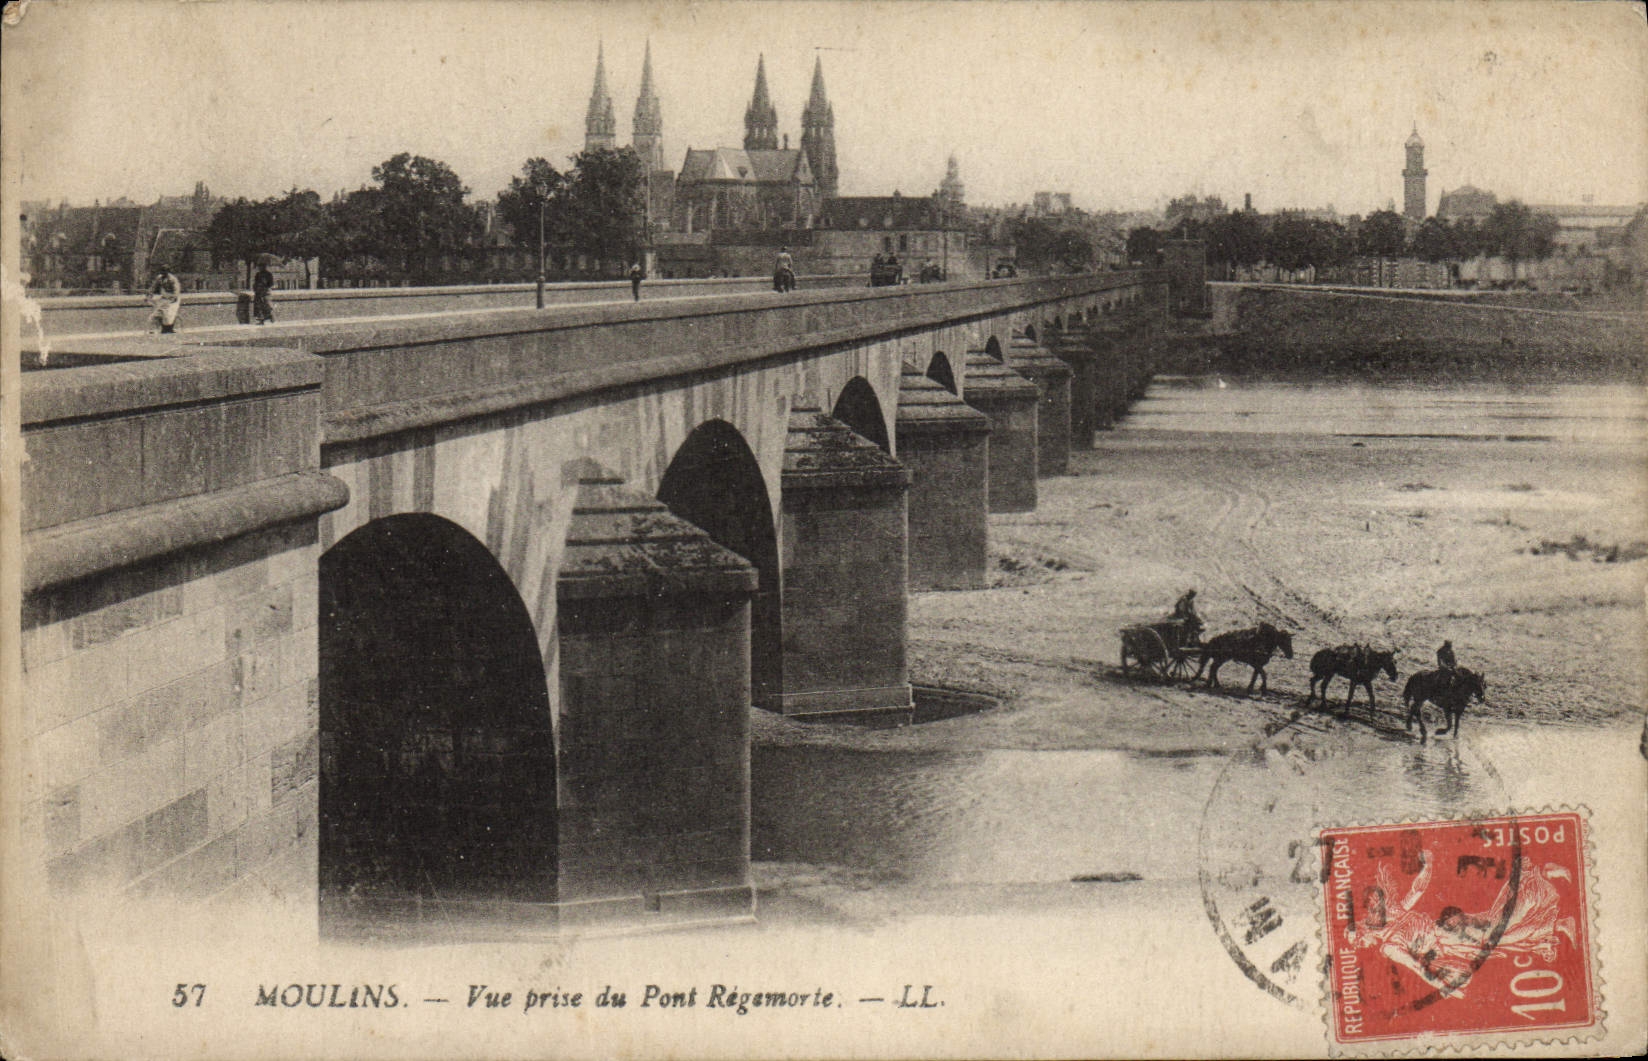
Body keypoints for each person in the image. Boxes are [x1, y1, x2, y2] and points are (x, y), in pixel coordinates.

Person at [149, 265, 182, 334]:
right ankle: (159, 327)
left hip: (172, 298)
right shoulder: (159, 278)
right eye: (162, 271)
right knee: (159, 312)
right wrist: (150, 294)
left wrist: (174, 298)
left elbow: (176, 289)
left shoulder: (172, 279)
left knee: (170, 313)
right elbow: (154, 286)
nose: (163, 273)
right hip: (164, 297)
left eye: (164, 272)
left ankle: (169, 328)